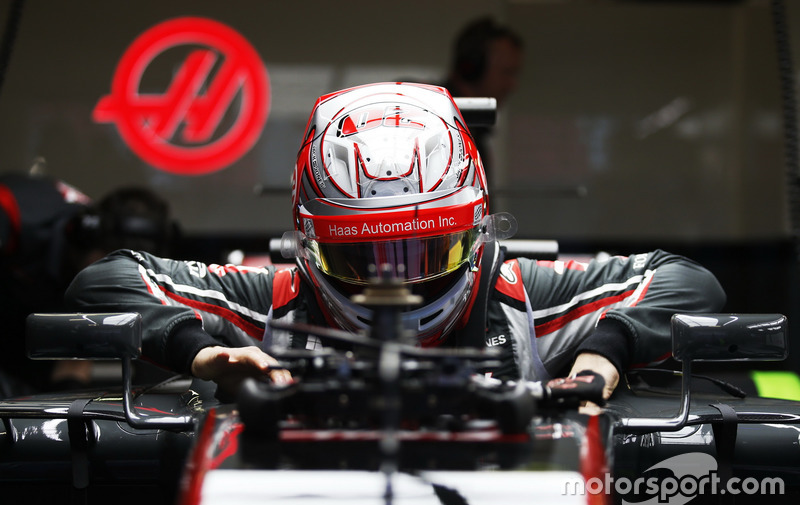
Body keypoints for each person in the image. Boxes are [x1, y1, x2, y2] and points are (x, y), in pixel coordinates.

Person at [64, 82, 726, 406]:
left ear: (477, 233)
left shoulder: (520, 296)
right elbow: (109, 280)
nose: (394, 281)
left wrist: (603, 356)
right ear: (307, 241)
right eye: (362, 257)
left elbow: (684, 280)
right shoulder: (274, 296)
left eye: (427, 252)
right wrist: (204, 352)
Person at [0, 172, 177, 396]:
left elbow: (71, 367)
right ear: (87, 240)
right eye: (110, 266)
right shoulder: (13, 210)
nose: (114, 284)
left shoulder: (103, 289)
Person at [443, 16, 524, 188]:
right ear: (472, 67)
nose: (513, 85)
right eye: (506, 72)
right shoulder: (433, 119)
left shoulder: (475, 130)